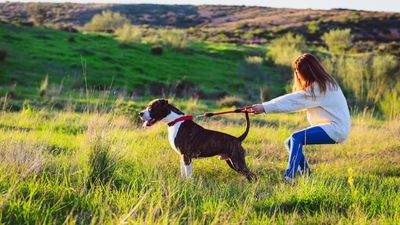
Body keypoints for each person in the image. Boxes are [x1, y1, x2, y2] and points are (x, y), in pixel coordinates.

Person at [250, 53, 351, 184]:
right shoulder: (324, 84)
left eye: (298, 72)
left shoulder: (320, 87)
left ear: (308, 71)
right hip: (333, 126)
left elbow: (292, 100)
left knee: (296, 137)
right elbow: (295, 101)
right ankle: (308, 177)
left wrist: (264, 107)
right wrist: (264, 107)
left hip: (336, 128)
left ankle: (289, 176)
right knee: (289, 142)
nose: (297, 75)